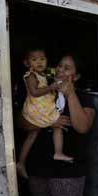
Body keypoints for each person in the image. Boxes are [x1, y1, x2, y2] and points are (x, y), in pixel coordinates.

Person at [19, 55, 95, 196]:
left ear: (75, 77)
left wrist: (70, 94)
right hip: (38, 166)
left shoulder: (83, 97)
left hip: (67, 171)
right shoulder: (43, 91)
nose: (60, 70)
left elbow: (83, 126)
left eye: (67, 68)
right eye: (59, 66)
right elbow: (21, 123)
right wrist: (48, 123)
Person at [17, 48, 73, 179]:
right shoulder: (31, 75)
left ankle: (21, 162)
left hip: (41, 108)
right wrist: (51, 87)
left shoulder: (45, 74)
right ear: (27, 63)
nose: (39, 62)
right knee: (57, 123)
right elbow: (34, 92)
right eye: (34, 59)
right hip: (37, 110)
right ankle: (58, 152)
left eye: (42, 59)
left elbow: (56, 77)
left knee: (32, 135)